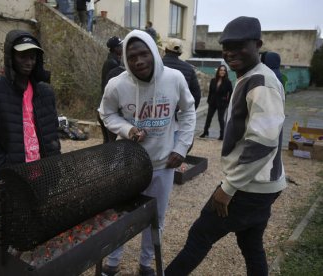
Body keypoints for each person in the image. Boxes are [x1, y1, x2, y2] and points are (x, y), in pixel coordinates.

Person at [165, 16, 287, 276]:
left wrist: (229, 187)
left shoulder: (261, 83)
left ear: (258, 44)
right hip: (262, 184)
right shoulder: (251, 76)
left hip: (250, 186)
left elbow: (262, 143)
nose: (230, 52)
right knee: (251, 244)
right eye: (226, 46)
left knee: (200, 235)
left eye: (240, 45)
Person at [99, 29, 196, 276]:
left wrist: (181, 147)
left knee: (156, 217)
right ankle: (112, 261)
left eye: (144, 54)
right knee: (121, 214)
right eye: (132, 57)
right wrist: (128, 128)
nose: (139, 61)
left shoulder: (174, 79)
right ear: (125, 59)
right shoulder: (117, 84)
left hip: (163, 164)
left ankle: (146, 263)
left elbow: (188, 111)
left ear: (154, 52)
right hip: (127, 165)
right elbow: (106, 112)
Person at [0, 30, 61, 171]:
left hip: (45, 170)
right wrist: (2, 164)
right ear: (10, 56)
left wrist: (55, 162)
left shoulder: (45, 92)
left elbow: (52, 129)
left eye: (32, 57)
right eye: (22, 56)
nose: (28, 62)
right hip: (14, 174)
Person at [162, 38, 201, 109]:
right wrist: (190, 111)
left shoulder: (156, 65)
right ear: (180, 52)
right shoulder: (189, 68)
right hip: (180, 112)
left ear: (166, 49)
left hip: (159, 113)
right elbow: (196, 94)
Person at [98, 36, 123, 143]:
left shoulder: (112, 61)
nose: (122, 48)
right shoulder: (112, 63)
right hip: (108, 107)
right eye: (120, 46)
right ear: (115, 48)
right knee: (110, 143)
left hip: (105, 106)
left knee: (108, 143)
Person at [199, 64, 233, 140]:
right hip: (212, 102)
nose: (222, 72)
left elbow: (231, 93)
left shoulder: (228, 82)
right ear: (218, 71)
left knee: (221, 119)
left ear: (225, 72)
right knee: (208, 117)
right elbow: (210, 91)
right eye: (221, 70)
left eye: (224, 70)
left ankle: (222, 134)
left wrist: (227, 102)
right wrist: (208, 100)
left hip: (222, 103)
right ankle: (205, 132)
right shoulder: (213, 80)